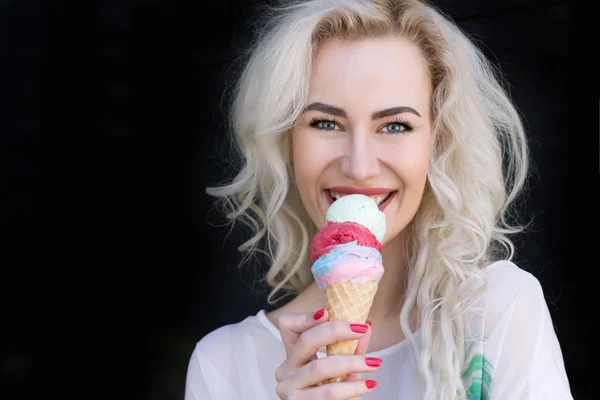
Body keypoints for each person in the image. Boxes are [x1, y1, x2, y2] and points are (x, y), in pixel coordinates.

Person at [184, 0, 573, 398]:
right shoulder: (224, 366)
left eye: (395, 125)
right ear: (286, 141)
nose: (359, 166)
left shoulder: (498, 311)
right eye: (326, 123)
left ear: (437, 143)